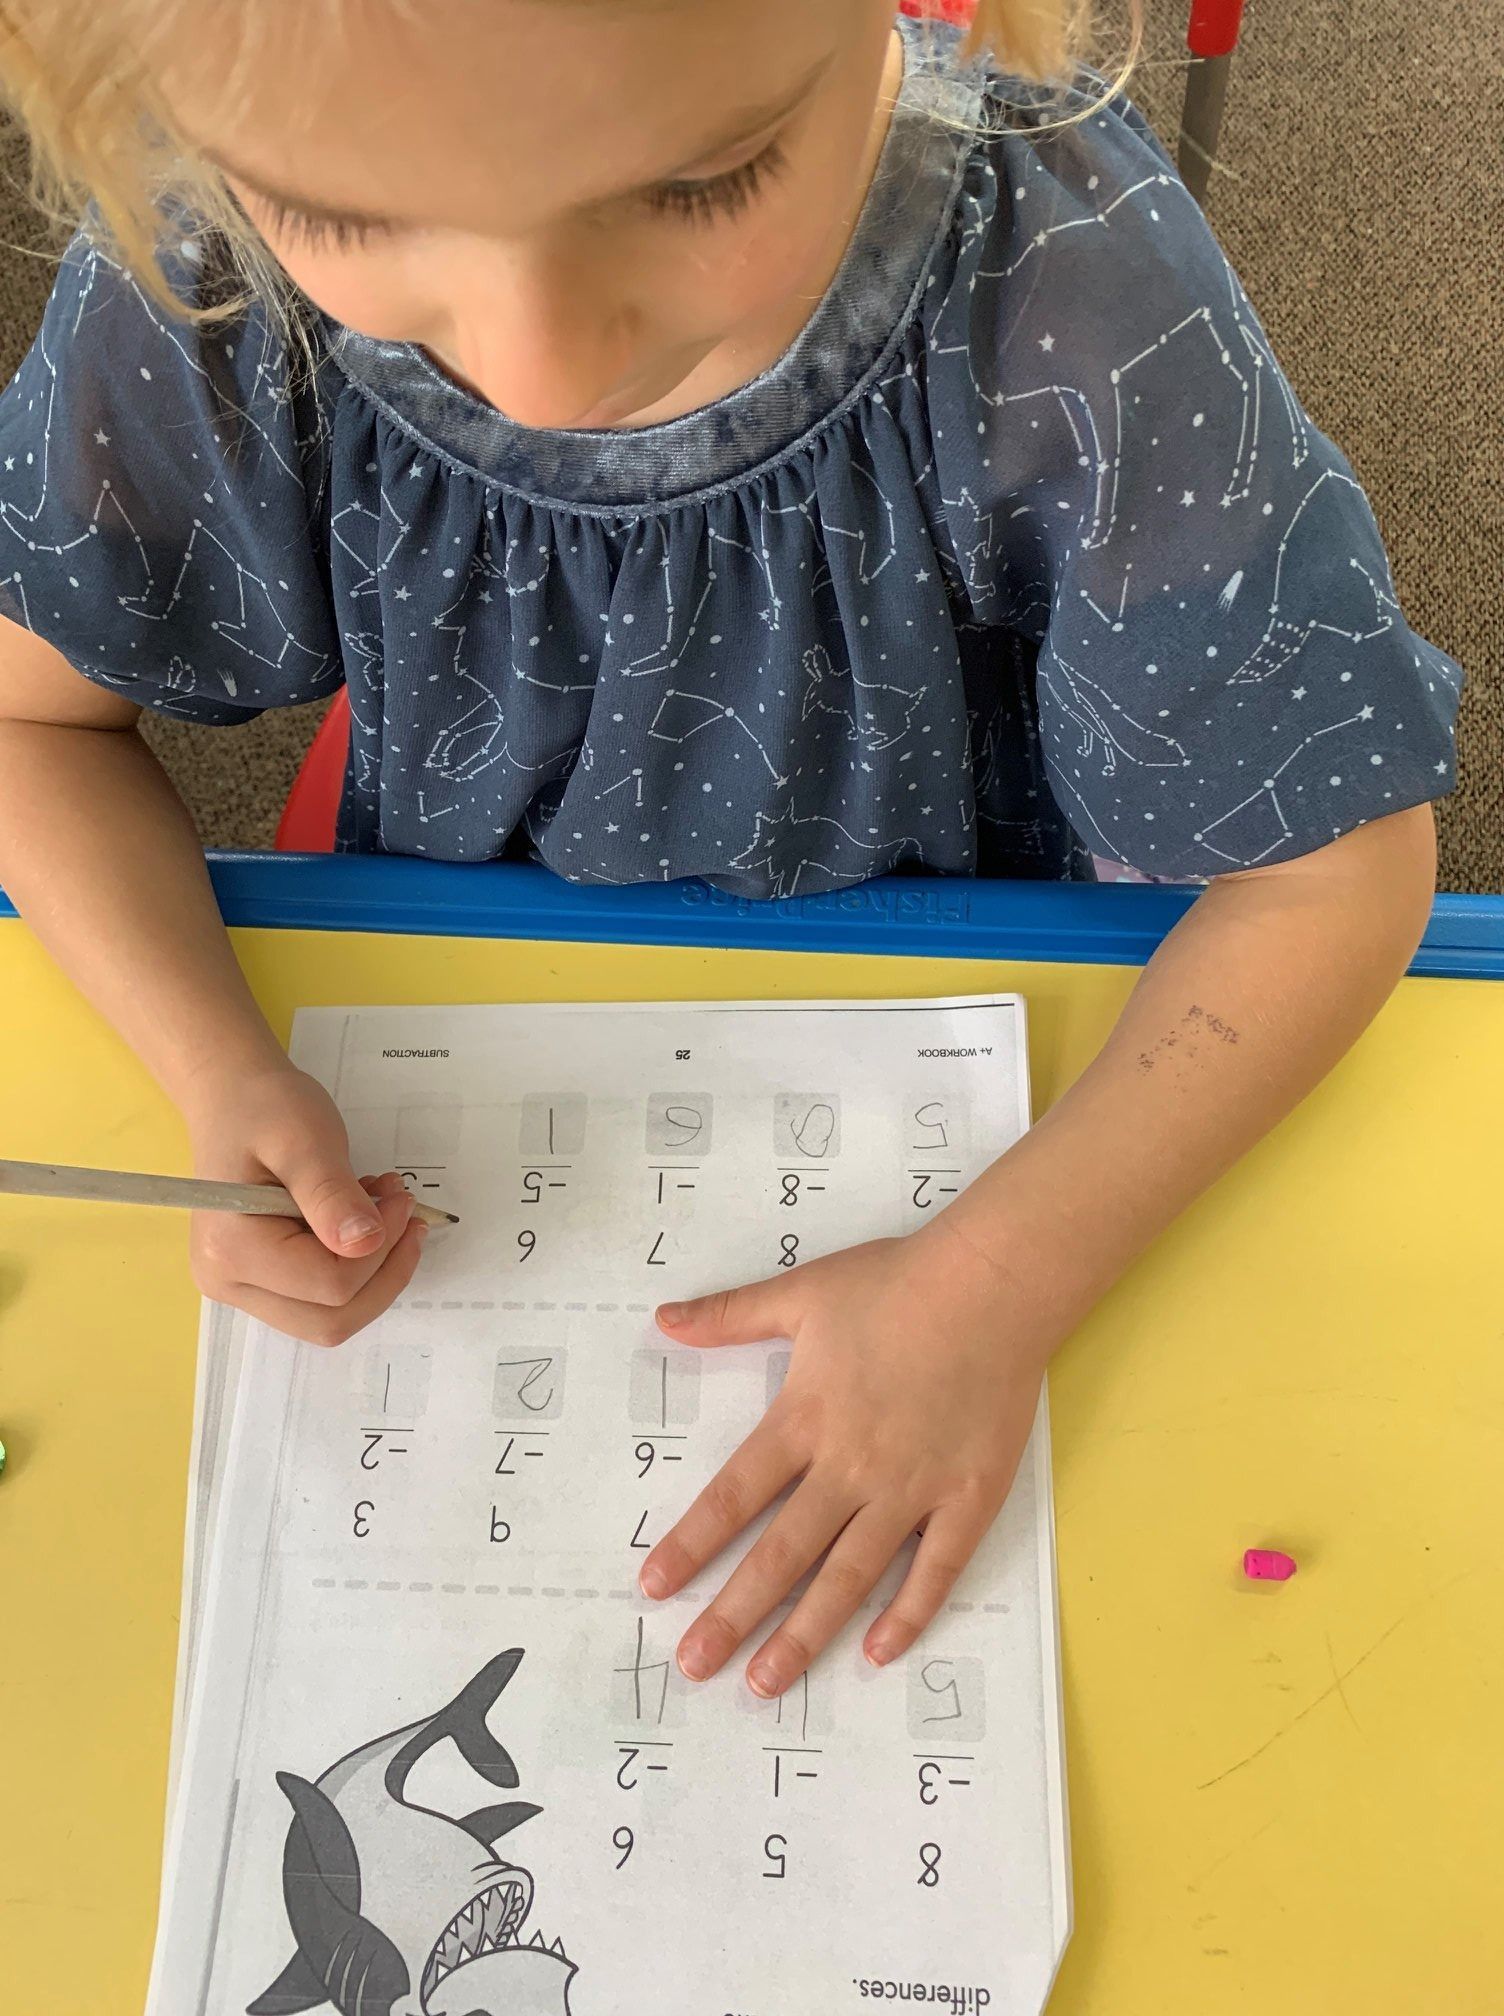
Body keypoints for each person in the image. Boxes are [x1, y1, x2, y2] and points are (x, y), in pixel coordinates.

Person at [0, 0, 1462, 1699]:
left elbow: (1336, 870)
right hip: (481, 1017)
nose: (544, 368)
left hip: (989, 1002)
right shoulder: (205, 239)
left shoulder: (1070, 271)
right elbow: (31, 723)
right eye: (350, 217)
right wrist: (214, 1072)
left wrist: (995, 1285)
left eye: (704, 183)